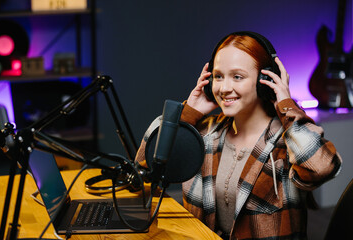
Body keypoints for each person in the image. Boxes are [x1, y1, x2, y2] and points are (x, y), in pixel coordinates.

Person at [135, 31, 342, 239]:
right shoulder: (204, 134)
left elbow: (322, 167)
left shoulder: (289, 140)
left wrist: (286, 106)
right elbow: (144, 162)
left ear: (266, 80)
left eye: (237, 77)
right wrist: (189, 113)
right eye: (218, 77)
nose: (224, 88)